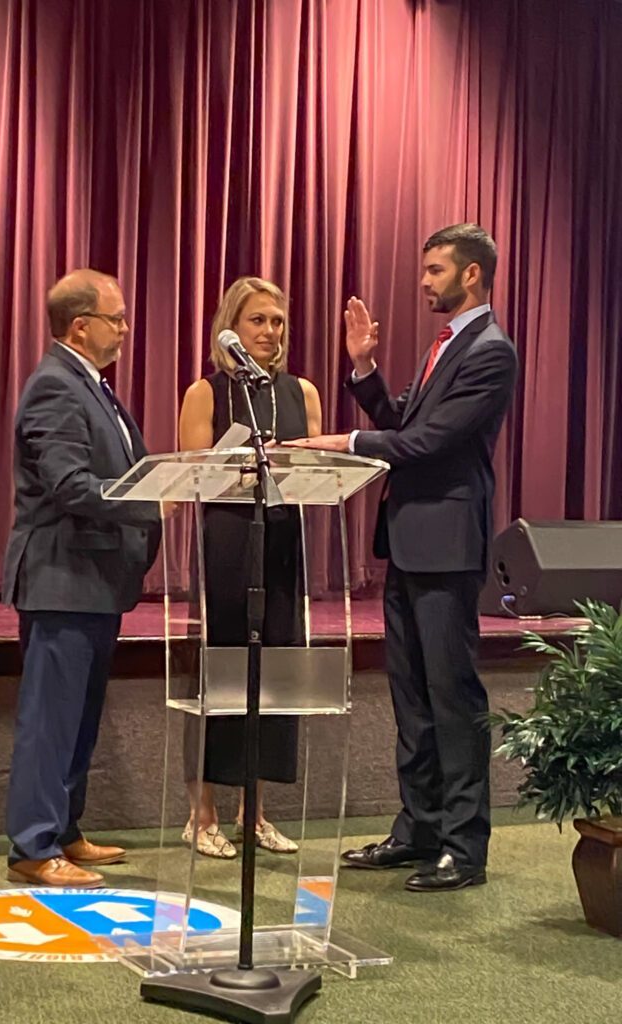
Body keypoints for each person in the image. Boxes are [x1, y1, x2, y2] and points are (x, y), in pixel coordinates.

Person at [284, 225, 518, 891]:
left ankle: (463, 848)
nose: (424, 281)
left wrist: (345, 441)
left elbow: (430, 442)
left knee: (451, 697)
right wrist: (364, 370)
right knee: (411, 697)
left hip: (447, 546)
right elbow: (403, 421)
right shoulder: (445, 345)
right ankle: (418, 830)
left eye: (436, 269)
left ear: (472, 274)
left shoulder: (491, 350)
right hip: (412, 542)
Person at [2, 269, 161, 888]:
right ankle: (33, 846)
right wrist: (152, 499)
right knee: (51, 720)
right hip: (62, 578)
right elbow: (69, 486)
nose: (125, 328)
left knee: (79, 717)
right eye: (116, 318)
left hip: (94, 581)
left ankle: (64, 830)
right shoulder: (55, 386)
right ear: (79, 326)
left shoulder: (88, 383)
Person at [178, 276, 322, 858]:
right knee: (222, 675)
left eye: (277, 321)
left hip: (283, 543)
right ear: (230, 328)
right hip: (228, 547)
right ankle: (202, 814)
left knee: (275, 676)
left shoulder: (302, 392)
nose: (270, 331)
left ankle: (254, 815)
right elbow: (191, 476)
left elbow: (315, 471)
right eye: (258, 320)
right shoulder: (206, 393)